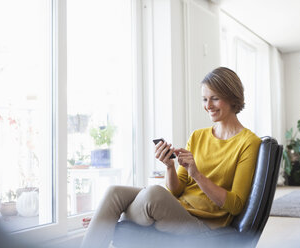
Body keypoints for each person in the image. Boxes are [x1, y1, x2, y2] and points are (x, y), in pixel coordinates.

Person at [80, 67, 261, 248]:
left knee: (153, 193)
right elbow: (176, 191)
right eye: (204, 99)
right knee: (115, 192)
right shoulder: (198, 136)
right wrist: (169, 166)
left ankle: (105, 222)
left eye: (215, 98)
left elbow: (235, 205)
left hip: (203, 224)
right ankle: (100, 229)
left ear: (232, 97)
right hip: (178, 209)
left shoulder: (248, 142)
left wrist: (197, 174)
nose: (208, 106)